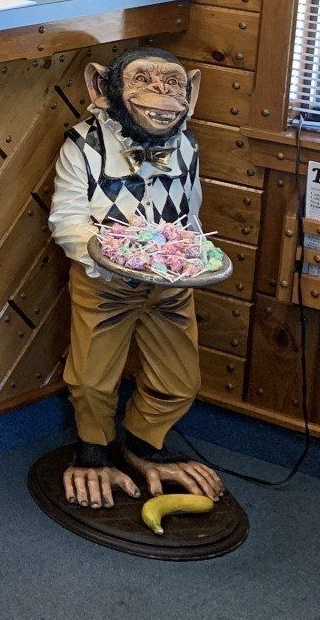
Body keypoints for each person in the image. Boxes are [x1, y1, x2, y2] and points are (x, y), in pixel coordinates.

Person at [48, 45, 226, 510]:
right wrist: (109, 256)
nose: (160, 96)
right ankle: (92, 451)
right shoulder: (84, 145)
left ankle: (143, 444)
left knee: (181, 381)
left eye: (172, 85)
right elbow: (68, 218)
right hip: (105, 281)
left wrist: (187, 253)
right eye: (143, 82)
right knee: (91, 380)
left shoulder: (186, 146)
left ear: (192, 92)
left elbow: (191, 208)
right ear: (102, 89)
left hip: (172, 283)